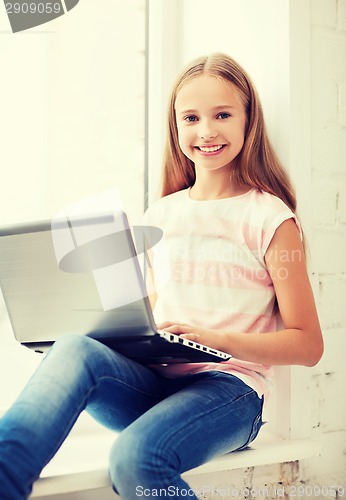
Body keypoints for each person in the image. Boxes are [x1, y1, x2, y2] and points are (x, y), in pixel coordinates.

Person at [0, 53, 323, 499]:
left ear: (249, 121)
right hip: (157, 383)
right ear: (176, 127)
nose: (206, 130)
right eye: (191, 117)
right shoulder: (162, 214)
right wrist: (119, 334)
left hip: (229, 391)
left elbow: (308, 345)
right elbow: (152, 310)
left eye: (223, 115)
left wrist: (213, 339)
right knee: (75, 347)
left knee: (135, 461)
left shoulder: (270, 218)